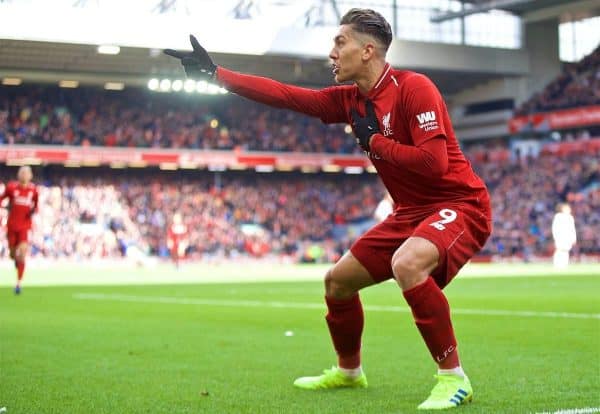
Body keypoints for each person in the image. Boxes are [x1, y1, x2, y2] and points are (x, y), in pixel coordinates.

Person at [165, 8, 492, 410]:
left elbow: (434, 163)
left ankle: (453, 378)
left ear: (368, 50)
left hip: (459, 204)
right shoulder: (350, 100)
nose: (332, 53)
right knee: (338, 282)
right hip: (410, 212)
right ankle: (349, 372)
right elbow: (287, 96)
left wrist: (377, 145)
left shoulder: (414, 88)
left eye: (340, 43)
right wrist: (218, 75)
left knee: (407, 264)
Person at [1, 166, 39, 295]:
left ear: (30, 176)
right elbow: (1, 198)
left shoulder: (33, 190)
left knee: (22, 253)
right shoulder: (11, 187)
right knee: (13, 255)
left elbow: (36, 205)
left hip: (24, 226)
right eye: (22, 173)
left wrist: (33, 212)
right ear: (18, 175)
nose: (24, 175)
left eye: (26, 173)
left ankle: (18, 283)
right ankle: (16, 260)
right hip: (11, 226)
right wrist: (4, 207)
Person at [551, 202, 576, 268]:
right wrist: (555, 236)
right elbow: (555, 227)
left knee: (566, 250)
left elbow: (572, 229)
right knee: (559, 250)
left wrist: (573, 237)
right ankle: (557, 263)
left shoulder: (570, 217)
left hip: (568, 236)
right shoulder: (558, 216)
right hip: (560, 236)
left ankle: (564, 264)